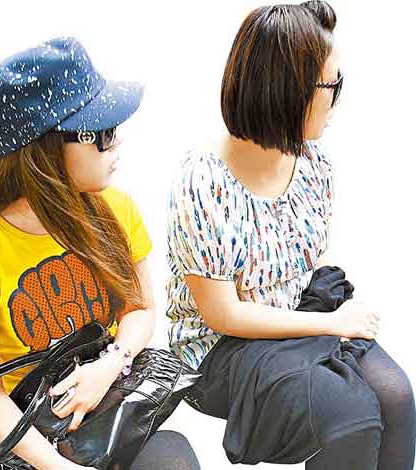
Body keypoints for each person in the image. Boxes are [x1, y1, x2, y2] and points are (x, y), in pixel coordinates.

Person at [165, 2, 415, 469]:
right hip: (222, 346)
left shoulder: (314, 163)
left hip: (297, 311)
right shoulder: (203, 181)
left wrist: (326, 318)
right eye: (332, 85)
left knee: (396, 397)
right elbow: (223, 314)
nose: (337, 98)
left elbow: (305, 261)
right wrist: (332, 324)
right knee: (351, 419)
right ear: (287, 90)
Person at [0, 36, 200, 470]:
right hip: (35, 438)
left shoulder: (117, 209)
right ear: (46, 150)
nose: (117, 144)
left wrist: (110, 365)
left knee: (173, 456)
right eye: (103, 134)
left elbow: (140, 310)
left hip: (109, 407)